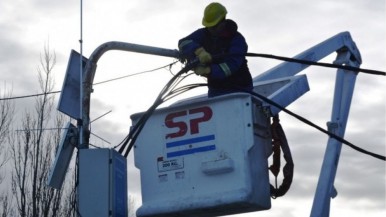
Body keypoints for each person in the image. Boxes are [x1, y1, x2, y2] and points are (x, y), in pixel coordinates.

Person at [178, 2, 253, 97]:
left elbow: (231, 66)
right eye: (208, 26)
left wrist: (209, 70)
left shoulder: (237, 40)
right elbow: (184, 42)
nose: (210, 30)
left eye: (213, 27)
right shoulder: (204, 33)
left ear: (222, 22)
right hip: (216, 90)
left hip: (240, 89)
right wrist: (198, 51)